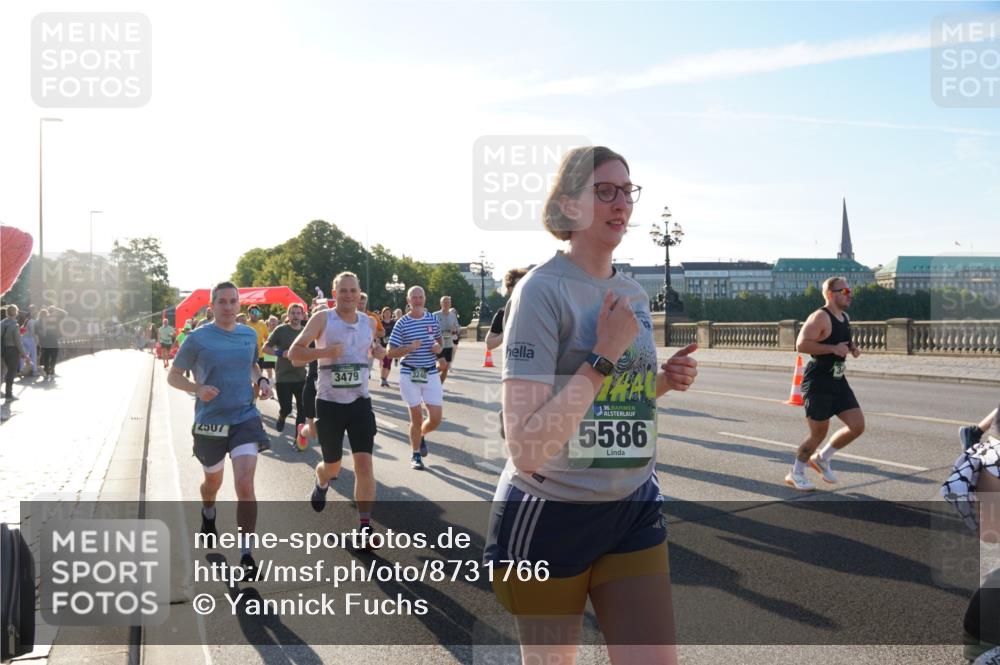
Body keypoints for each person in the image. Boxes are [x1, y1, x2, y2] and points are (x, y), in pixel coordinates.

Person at [484, 145, 697, 664]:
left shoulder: (633, 293)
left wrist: (661, 383)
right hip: (552, 510)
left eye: (627, 191)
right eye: (604, 190)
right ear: (568, 205)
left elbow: (614, 404)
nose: (620, 202)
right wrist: (603, 354)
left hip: (633, 504)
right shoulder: (540, 291)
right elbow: (528, 447)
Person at [167, 281, 272, 573]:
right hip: (210, 422)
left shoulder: (248, 334)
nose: (228, 307)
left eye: (232, 301)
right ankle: (208, 511)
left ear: (239, 305)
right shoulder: (198, 338)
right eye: (222, 302)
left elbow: (253, 365)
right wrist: (196, 388)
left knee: (244, 483)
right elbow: (173, 376)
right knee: (212, 483)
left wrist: (260, 380)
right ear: (211, 306)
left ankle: (247, 553)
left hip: (244, 418)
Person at [288, 272, 384, 542]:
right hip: (330, 404)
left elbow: (374, 350)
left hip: (360, 403)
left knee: (364, 466)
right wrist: (324, 352)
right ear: (334, 292)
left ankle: (364, 528)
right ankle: (321, 482)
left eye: (353, 290)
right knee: (332, 468)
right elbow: (295, 354)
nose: (349, 295)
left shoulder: (368, 322)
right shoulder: (323, 319)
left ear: (359, 292)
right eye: (343, 290)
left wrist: (378, 353)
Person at [785, 276, 864, 491]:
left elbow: (841, 340)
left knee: (857, 426)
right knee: (818, 433)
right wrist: (832, 349)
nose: (850, 294)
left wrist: (851, 348)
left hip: (838, 379)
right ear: (831, 294)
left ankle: (823, 458)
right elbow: (801, 344)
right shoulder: (820, 316)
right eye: (845, 291)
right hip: (818, 379)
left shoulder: (844, 316)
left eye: (850, 290)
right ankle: (796, 472)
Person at [387, 286, 444, 470]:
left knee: (435, 418)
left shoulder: (432, 319)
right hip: (409, 373)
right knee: (417, 418)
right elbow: (390, 352)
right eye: (414, 297)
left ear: (425, 299)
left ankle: (421, 435)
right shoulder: (402, 323)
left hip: (430, 372)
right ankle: (416, 454)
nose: (418, 300)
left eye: (421, 297)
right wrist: (409, 348)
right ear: (408, 300)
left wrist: (438, 348)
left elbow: (439, 341)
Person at [263, 303, 307, 436]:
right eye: (292, 313)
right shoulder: (281, 330)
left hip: (301, 376)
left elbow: (312, 350)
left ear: (302, 315)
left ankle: (299, 438)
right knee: (287, 408)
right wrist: (281, 353)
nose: (295, 316)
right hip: (283, 377)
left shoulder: (306, 331)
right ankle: (282, 416)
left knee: (302, 409)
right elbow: (265, 348)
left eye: (298, 313)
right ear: (288, 315)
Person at [486, 268, 529, 351]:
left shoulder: (539, 310)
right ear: (510, 289)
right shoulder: (504, 313)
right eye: (519, 286)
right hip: (513, 360)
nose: (523, 289)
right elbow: (489, 344)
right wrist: (507, 332)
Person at [1, 305, 29, 401]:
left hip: (1, 349)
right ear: (16, 313)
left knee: (1, 372)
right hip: (12, 350)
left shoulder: (1, 323)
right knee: (11, 372)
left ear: (7, 312)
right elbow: (18, 342)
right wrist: (24, 354)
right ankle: (9, 394)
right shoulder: (15, 325)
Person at [433, 296, 460, 384]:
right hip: (438, 344)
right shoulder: (435, 315)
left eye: (448, 302)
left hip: (449, 344)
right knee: (442, 365)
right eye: (444, 302)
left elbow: (458, 329)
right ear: (441, 304)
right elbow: (429, 329)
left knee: (446, 368)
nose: (446, 304)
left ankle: (439, 387)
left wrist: (455, 330)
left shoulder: (453, 316)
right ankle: (428, 374)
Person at [38, 306, 65, 379]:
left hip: (48, 340)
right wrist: (57, 309)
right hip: (51, 340)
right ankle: (50, 371)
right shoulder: (54, 319)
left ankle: (48, 371)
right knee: (53, 357)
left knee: (48, 356)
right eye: (54, 311)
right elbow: (65, 313)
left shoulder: (46, 319)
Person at [378, 307, 395, 387]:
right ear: (383, 314)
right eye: (386, 312)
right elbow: (377, 332)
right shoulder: (380, 322)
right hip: (382, 345)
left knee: (389, 363)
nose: (387, 314)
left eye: (389, 312)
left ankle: (385, 378)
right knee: (384, 362)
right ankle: (382, 378)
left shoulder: (393, 323)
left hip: (391, 345)